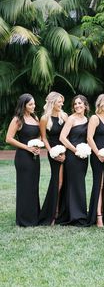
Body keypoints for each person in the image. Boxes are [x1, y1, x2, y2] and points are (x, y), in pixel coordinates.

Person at [6, 93, 41, 227]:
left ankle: (34, 216)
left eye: (33, 104)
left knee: (33, 186)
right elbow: (9, 138)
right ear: (24, 105)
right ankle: (24, 219)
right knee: (25, 186)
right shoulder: (17, 119)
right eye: (30, 104)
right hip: (23, 157)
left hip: (34, 156)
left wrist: (37, 145)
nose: (33, 106)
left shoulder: (35, 117)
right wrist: (27, 147)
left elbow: (38, 136)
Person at [59, 95, 89, 226]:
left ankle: (81, 212)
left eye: (80, 103)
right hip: (72, 156)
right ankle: (74, 215)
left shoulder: (87, 119)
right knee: (73, 184)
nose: (77, 106)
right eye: (75, 104)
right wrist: (75, 150)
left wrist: (83, 151)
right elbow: (63, 138)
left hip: (83, 156)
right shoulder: (71, 119)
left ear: (85, 105)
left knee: (80, 184)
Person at [38, 92, 67, 225]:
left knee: (65, 181)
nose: (61, 104)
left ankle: (62, 211)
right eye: (59, 102)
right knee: (58, 181)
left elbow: (68, 134)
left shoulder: (64, 116)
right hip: (54, 151)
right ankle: (52, 213)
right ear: (52, 103)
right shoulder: (44, 118)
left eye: (62, 101)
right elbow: (44, 138)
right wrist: (52, 152)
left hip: (66, 151)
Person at [87, 94, 104, 227]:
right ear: (99, 105)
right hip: (97, 155)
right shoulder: (94, 118)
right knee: (100, 183)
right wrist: (98, 153)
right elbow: (89, 138)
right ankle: (98, 215)